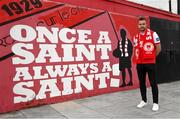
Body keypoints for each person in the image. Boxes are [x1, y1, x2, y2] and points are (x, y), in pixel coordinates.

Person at [133, 16, 161, 111]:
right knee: (141, 83)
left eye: (143, 24)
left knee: (153, 83)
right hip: (139, 64)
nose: (142, 26)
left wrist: (152, 57)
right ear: (138, 25)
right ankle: (144, 100)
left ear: (146, 24)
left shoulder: (153, 34)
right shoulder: (135, 37)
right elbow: (136, 49)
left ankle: (155, 103)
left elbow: (158, 48)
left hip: (150, 63)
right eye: (140, 24)